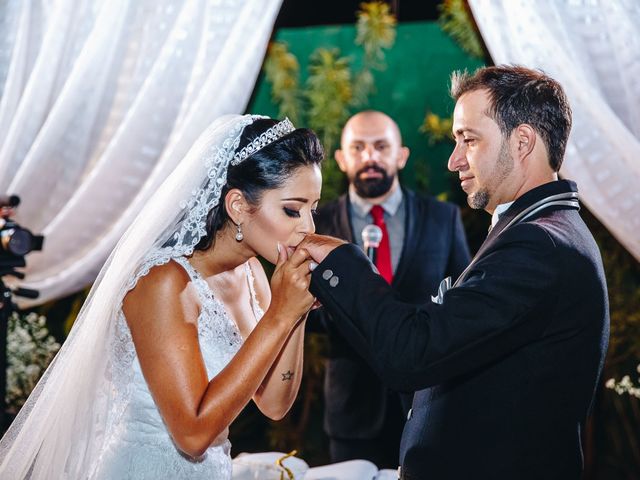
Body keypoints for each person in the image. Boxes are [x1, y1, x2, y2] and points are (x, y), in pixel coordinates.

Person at [300, 66, 609, 479]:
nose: (454, 160)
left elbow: (414, 352)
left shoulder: (539, 246)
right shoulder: (536, 230)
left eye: (469, 139)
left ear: (522, 142)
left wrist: (342, 259)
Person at [0, 115, 323, 479]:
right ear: (237, 206)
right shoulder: (163, 282)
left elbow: (275, 404)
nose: (308, 229)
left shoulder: (252, 274)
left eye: (313, 210)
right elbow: (193, 433)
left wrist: (297, 311)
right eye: (292, 210)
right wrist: (280, 315)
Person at [312, 110, 470, 468]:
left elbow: (463, 302)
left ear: (401, 156)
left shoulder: (442, 218)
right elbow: (301, 314)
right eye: (358, 148)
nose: (370, 157)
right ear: (341, 159)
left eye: (381, 146)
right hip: (351, 411)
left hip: (427, 405)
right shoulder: (317, 223)